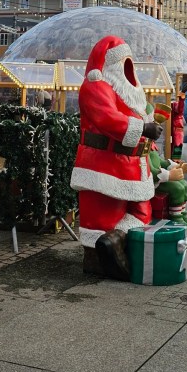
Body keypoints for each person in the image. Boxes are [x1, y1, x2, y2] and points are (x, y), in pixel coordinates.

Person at [70, 36, 159, 280]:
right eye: (124, 65)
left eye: (130, 65)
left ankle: (113, 243)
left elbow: (129, 117)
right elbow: (107, 119)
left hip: (130, 168)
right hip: (102, 167)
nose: (129, 73)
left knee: (141, 212)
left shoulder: (127, 95)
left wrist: (148, 135)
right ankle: (99, 257)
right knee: (103, 216)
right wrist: (143, 129)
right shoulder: (96, 87)